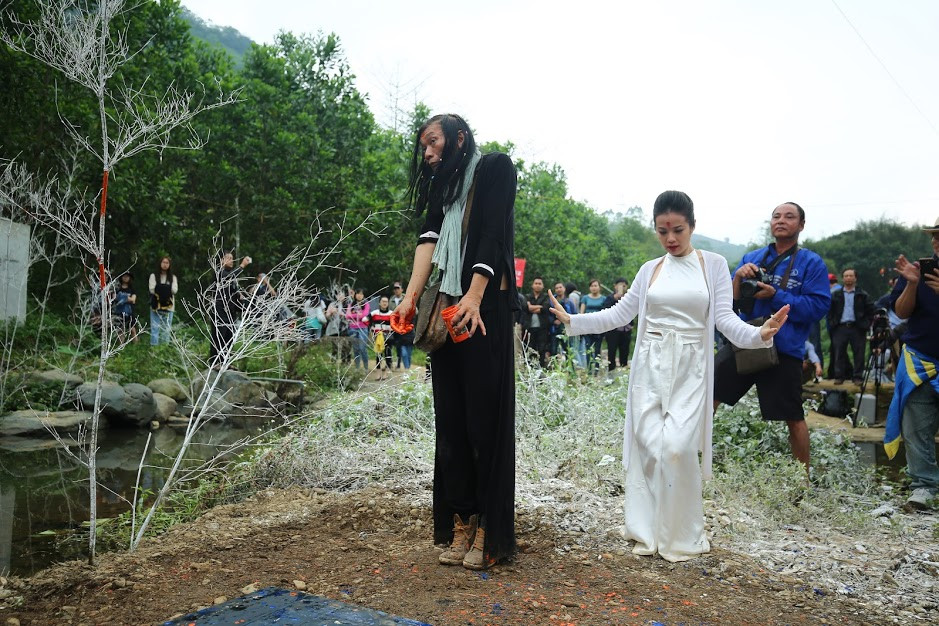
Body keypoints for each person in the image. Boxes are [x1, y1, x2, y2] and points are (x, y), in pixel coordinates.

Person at [549, 190, 788, 562]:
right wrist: (574, 321)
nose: (671, 238)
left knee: (677, 448)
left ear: (692, 226)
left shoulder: (712, 265)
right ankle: (647, 530)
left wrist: (759, 335)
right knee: (648, 446)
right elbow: (620, 314)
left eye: (678, 230)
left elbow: (724, 319)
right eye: (663, 231)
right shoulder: (650, 269)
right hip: (650, 362)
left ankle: (681, 534)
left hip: (691, 365)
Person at [391, 113, 518, 570]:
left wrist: (475, 297)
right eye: (423, 146)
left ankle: (489, 530)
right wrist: (410, 298)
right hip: (446, 306)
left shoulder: (496, 168)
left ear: (459, 138)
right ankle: (462, 519)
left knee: (484, 420)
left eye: (433, 142)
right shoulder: (441, 187)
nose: (427, 153)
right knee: (451, 421)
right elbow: (428, 241)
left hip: (484, 308)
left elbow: (493, 235)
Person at [714, 202, 830, 472]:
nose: (781, 220)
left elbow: (818, 307)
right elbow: (727, 301)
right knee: (708, 397)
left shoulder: (811, 263)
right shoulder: (752, 258)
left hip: (784, 348)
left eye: (789, 217)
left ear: (801, 225)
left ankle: (802, 480)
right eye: (776, 216)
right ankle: (690, 462)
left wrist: (776, 295)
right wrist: (737, 279)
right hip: (745, 341)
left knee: (793, 417)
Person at [884, 216, 939, 510]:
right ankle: (924, 487)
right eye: (935, 237)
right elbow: (902, 312)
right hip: (920, 360)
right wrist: (912, 285)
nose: (937, 242)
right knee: (916, 427)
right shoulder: (917, 271)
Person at [828, 268, 873, 384]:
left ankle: (857, 376)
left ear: (855, 278)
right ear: (843, 278)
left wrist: (866, 324)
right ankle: (839, 376)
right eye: (846, 276)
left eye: (851, 276)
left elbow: (870, 310)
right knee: (839, 352)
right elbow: (830, 311)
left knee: (859, 353)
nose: (848, 278)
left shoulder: (862, 295)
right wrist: (832, 323)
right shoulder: (836, 295)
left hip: (857, 327)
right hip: (840, 326)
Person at [210, 252, 251, 368]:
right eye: (228, 258)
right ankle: (215, 362)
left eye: (232, 258)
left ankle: (225, 362)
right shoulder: (219, 272)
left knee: (229, 336)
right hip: (219, 309)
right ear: (221, 260)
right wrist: (242, 266)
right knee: (219, 335)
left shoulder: (232, 276)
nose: (231, 260)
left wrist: (239, 294)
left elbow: (232, 288)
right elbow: (227, 278)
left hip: (230, 310)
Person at [603, 278, 632, 373]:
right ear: (615, 286)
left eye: (624, 286)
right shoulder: (610, 298)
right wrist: (615, 298)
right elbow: (605, 309)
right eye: (620, 285)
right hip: (613, 330)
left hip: (626, 329)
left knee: (625, 351)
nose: (622, 288)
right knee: (612, 351)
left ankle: (624, 372)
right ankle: (611, 372)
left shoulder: (629, 298)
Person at [149, 256, 177, 345]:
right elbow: (152, 289)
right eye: (163, 262)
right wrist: (167, 288)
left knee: (166, 328)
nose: (165, 265)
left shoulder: (173, 277)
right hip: (156, 305)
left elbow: (174, 290)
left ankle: (164, 349)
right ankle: (154, 348)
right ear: (160, 263)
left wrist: (160, 288)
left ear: (170, 265)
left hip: (169, 306)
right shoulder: (153, 276)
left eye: (167, 263)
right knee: (155, 328)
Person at [579, 279, 606, 374]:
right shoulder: (585, 298)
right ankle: (589, 370)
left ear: (599, 287)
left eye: (595, 285)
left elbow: (605, 313)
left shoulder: (603, 299)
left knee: (597, 349)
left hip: (599, 327)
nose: (594, 288)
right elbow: (582, 313)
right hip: (587, 327)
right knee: (588, 348)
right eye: (592, 286)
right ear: (589, 288)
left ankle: (596, 371)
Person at [523, 277, 550, 367]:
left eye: (539, 283)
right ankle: (530, 367)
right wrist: (539, 306)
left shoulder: (546, 297)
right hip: (529, 327)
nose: (538, 285)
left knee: (542, 348)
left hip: (542, 327)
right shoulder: (527, 296)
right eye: (536, 283)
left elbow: (545, 308)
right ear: (532, 285)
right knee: (530, 347)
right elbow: (526, 308)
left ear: (543, 286)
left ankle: (541, 367)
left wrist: (532, 307)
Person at [369, 295, 394, 380]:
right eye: (383, 301)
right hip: (378, 337)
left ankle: (386, 372)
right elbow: (365, 319)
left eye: (386, 301)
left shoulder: (392, 313)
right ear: (379, 303)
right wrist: (371, 327)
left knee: (388, 354)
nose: (384, 303)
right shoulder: (374, 313)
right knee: (378, 354)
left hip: (388, 337)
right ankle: (378, 373)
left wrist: (392, 328)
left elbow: (396, 323)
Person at [345, 288, 370, 370]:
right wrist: (358, 315)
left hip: (363, 328)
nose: (359, 295)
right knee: (355, 349)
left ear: (363, 295)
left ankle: (366, 368)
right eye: (358, 293)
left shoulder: (366, 304)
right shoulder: (351, 305)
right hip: (352, 328)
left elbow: (365, 315)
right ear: (355, 295)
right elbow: (347, 316)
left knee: (363, 348)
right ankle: (357, 368)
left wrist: (354, 316)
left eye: (361, 294)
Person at [549, 282, 577, 358]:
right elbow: (547, 315)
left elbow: (574, 314)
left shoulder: (569, 302)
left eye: (560, 287)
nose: (559, 289)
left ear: (564, 289)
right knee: (553, 351)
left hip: (566, 329)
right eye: (556, 288)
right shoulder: (550, 302)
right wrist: (553, 321)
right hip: (554, 329)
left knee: (568, 350)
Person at [565, 282, 586, 368]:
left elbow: (573, 309)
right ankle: (584, 366)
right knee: (582, 347)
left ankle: (579, 366)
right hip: (582, 323)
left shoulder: (572, 296)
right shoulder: (580, 295)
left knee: (574, 346)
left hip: (576, 323)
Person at [113, 271, 138, 342]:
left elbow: (133, 300)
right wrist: (126, 298)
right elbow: (114, 297)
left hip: (130, 311)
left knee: (132, 329)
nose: (125, 278)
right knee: (121, 330)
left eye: (127, 276)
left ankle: (137, 345)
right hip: (119, 312)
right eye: (124, 276)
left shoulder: (132, 289)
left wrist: (122, 297)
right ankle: (121, 346)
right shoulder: (117, 288)